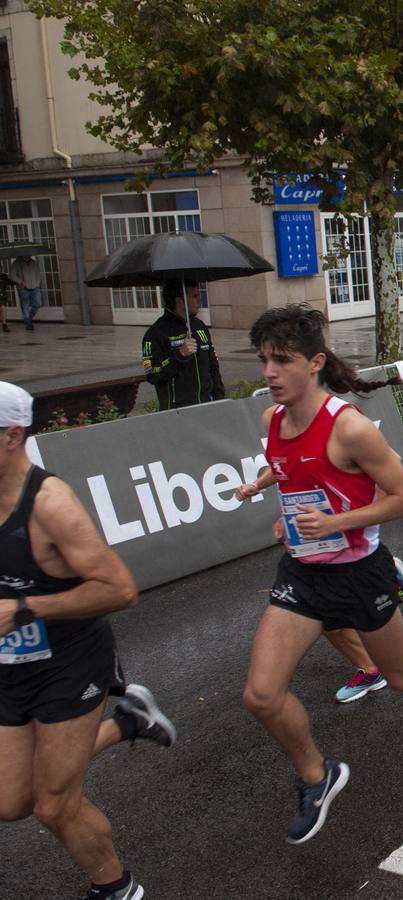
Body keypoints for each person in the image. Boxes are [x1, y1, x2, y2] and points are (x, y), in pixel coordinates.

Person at [234, 306, 403, 844]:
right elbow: (294, 471)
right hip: (302, 572)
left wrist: (334, 522)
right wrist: (287, 513)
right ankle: (317, 776)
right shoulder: (273, 419)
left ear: (315, 362)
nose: (269, 372)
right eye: (264, 360)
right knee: (261, 695)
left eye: (282, 360)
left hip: (362, 572)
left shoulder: (350, 428)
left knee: (402, 673)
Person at [0, 381, 178, 900]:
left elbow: (119, 589)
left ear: (12, 436)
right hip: (12, 666)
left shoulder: (50, 504)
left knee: (53, 803)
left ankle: (116, 887)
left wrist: (24, 608)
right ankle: (130, 722)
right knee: (11, 801)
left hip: (70, 665)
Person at [141, 279, 225, 410]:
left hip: (208, 406)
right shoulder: (155, 334)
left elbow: (213, 366)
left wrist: (220, 399)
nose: (199, 301)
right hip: (177, 412)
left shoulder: (199, 327)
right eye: (195, 296)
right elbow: (153, 374)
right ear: (179, 301)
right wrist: (180, 355)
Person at [11, 254, 41, 331]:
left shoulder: (33, 262)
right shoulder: (17, 263)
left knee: (37, 304)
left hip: (35, 288)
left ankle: (28, 318)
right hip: (23, 289)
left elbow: (38, 274)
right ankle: (28, 324)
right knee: (25, 307)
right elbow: (12, 275)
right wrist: (20, 281)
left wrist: (37, 284)